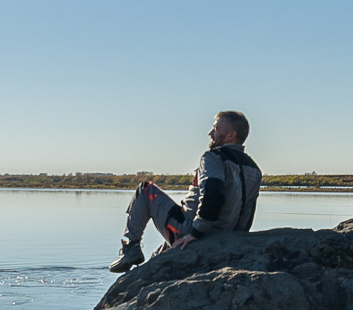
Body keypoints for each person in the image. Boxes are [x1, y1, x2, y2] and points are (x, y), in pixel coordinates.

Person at [110, 110, 263, 272]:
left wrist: (196, 233)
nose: (211, 133)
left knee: (145, 190)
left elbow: (213, 193)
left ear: (231, 135)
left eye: (216, 128)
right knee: (157, 256)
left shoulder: (213, 157)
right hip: (222, 238)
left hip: (192, 231)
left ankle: (131, 247)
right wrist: (235, 241)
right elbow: (247, 213)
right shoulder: (254, 170)